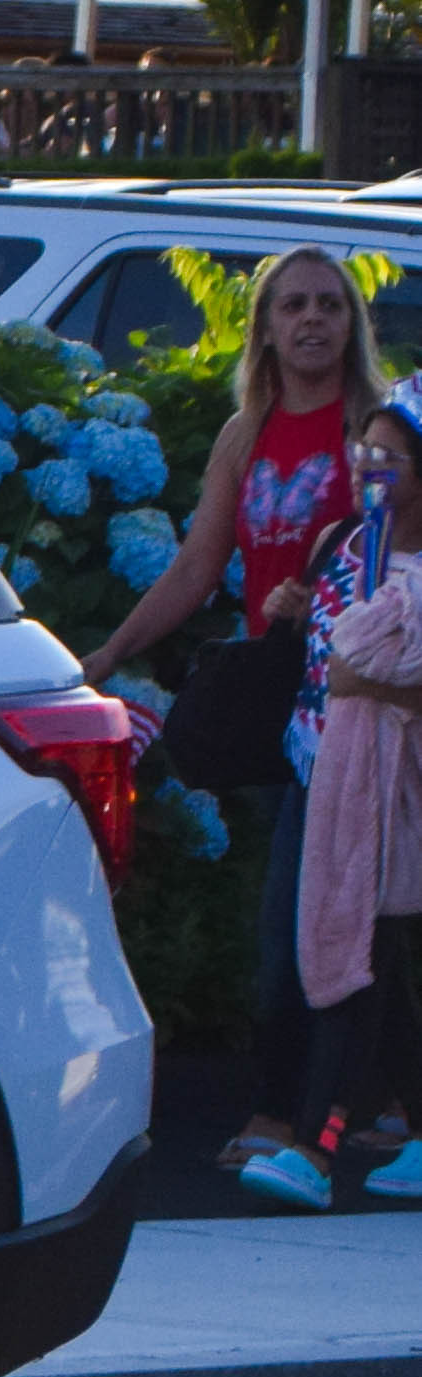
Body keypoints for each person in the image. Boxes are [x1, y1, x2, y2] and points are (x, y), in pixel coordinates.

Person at [78, 247, 388, 1166]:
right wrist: (108, 651)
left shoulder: (372, 426)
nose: (312, 322)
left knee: (299, 920)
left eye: (330, 305)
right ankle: (379, 1108)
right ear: (263, 326)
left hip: (355, 709)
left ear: (351, 322)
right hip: (270, 707)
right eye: (292, 305)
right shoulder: (243, 435)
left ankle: (283, 1117)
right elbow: (195, 565)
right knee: (337, 914)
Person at [245, 389, 422, 1208]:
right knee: (373, 971)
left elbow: (368, 670)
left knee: (356, 970)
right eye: (365, 452)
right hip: (323, 780)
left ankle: (315, 1151)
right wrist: (294, 610)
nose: (370, 469)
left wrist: (385, 684)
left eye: (391, 457)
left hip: (397, 803)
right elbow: (329, 660)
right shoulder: (343, 544)